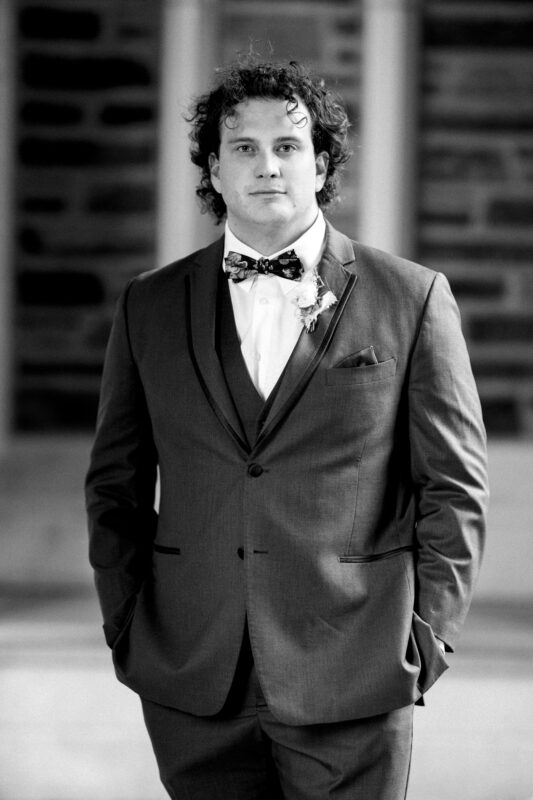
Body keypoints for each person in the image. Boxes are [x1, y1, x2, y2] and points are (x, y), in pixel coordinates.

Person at [85, 59, 489, 800]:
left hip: (355, 664)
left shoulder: (412, 297)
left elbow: (454, 487)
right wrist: (128, 625)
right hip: (191, 669)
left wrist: (426, 638)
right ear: (212, 166)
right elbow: (114, 483)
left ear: (320, 161)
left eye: (288, 145)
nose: (266, 165)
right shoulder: (148, 305)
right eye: (243, 146)